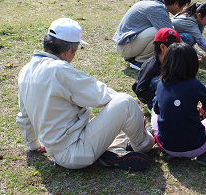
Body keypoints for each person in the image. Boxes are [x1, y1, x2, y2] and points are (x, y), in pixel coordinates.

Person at [16, 18, 155, 171]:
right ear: (69, 50)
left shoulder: (26, 70)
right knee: (126, 102)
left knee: (116, 117)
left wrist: (34, 145)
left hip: (56, 149)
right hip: (75, 152)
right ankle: (144, 144)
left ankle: (114, 150)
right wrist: (134, 114)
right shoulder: (59, 70)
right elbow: (102, 95)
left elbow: (24, 117)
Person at [151, 43, 206, 165]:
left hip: (168, 146)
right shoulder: (194, 84)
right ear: (192, 63)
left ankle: (163, 146)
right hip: (196, 147)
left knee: (154, 111)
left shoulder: (160, 84)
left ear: (166, 62)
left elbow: (158, 110)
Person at [113, 0, 191, 70]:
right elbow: (172, 34)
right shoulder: (156, 8)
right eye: (182, 6)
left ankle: (134, 57)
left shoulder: (154, 1)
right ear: (176, 3)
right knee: (162, 33)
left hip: (125, 44)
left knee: (162, 31)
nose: (181, 10)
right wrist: (189, 54)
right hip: (125, 47)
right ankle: (140, 62)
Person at [132, 27, 181, 111]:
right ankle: (153, 106)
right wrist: (160, 98)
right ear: (162, 47)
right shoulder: (151, 65)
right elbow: (140, 90)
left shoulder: (174, 60)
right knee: (159, 82)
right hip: (148, 93)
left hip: (166, 92)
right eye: (174, 48)